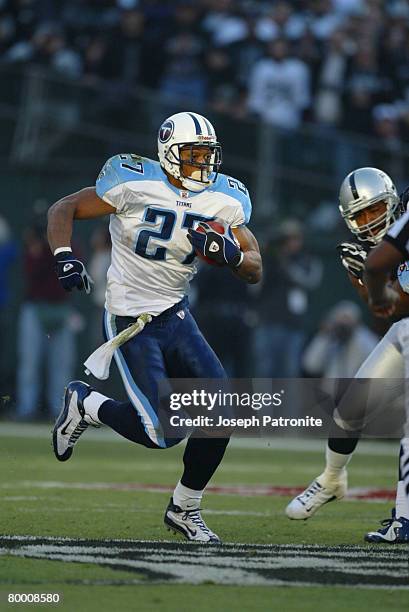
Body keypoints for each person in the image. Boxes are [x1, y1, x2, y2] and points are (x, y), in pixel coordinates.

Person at [47, 111, 262, 544]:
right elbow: (64, 207)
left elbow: (255, 266)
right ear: (167, 152)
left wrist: (233, 256)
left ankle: (185, 508)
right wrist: (64, 255)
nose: (204, 164)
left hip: (176, 315)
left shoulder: (223, 199)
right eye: (193, 155)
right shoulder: (132, 181)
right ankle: (86, 404)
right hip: (129, 317)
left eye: (208, 155)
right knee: (163, 432)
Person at [286, 167, 409, 543]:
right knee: (349, 409)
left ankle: (403, 519)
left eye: (376, 211)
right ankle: (331, 479)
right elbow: (386, 311)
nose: (371, 222)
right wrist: (366, 283)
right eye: (362, 216)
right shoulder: (366, 249)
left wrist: (377, 278)